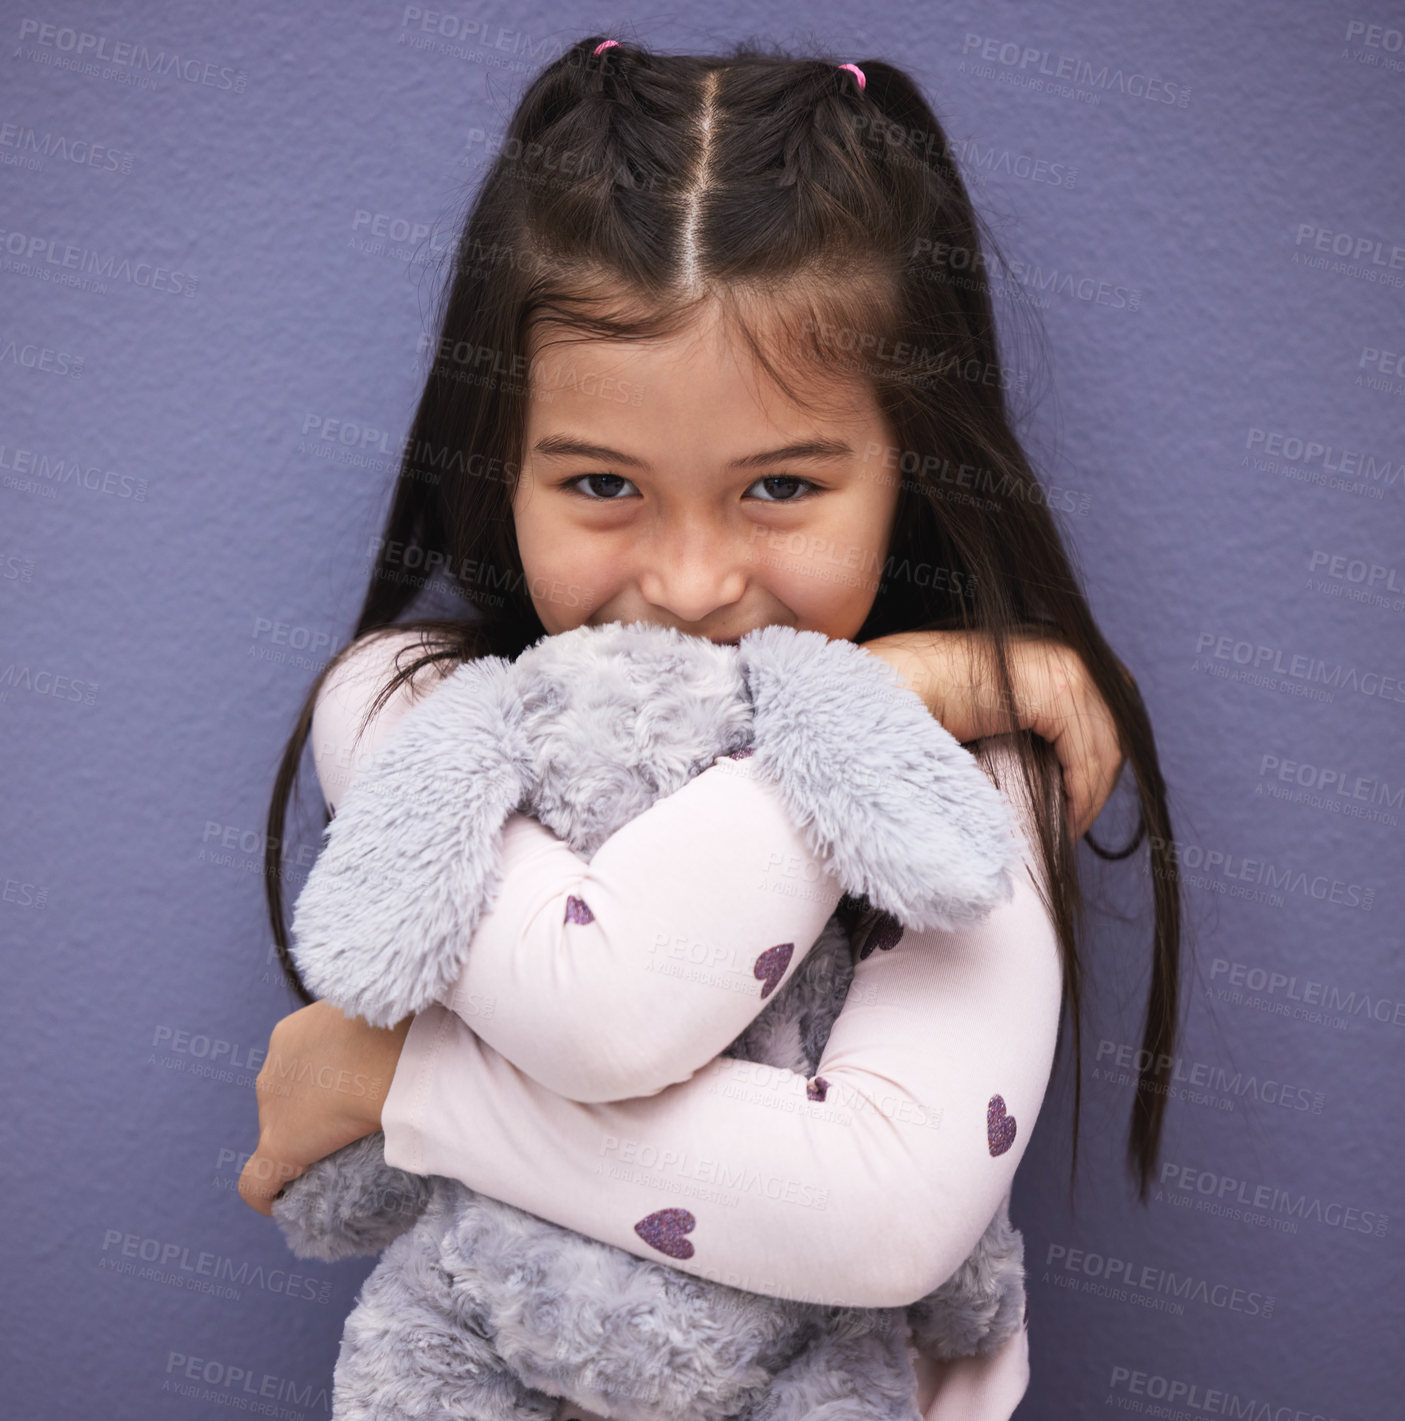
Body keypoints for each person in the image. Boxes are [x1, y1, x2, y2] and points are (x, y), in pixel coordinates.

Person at [238, 38, 1183, 1419]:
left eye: (782, 484)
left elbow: (883, 1211)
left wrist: (405, 1081)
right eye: (603, 480)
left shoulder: (967, 775)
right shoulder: (411, 707)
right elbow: (602, 1006)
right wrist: (889, 693)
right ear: (498, 461)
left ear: (905, 468)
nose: (690, 583)